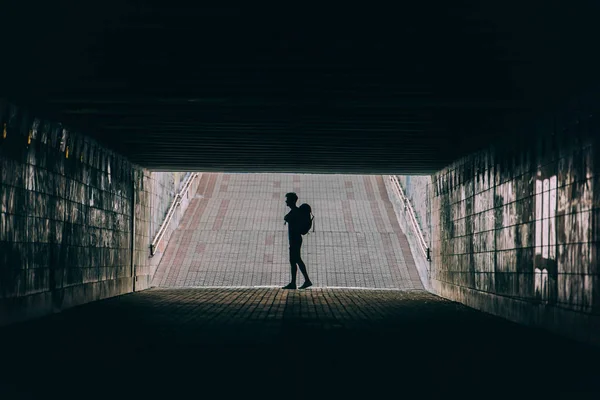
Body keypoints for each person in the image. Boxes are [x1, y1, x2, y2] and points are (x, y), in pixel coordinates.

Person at [282, 192, 312, 289]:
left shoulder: (295, 211)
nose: (286, 201)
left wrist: (287, 218)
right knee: (295, 260)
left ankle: (302, 281)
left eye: (287, 199)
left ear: (292, 201)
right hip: (295, 239)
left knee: (296, 259)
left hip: (295, 239)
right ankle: (296, 282)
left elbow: (287, 218)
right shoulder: (295, 211)